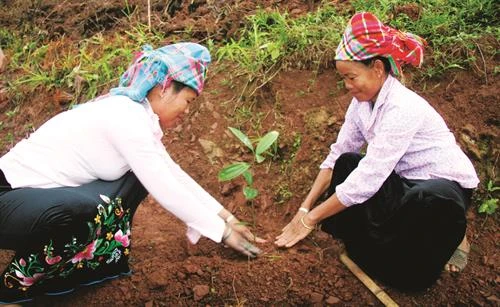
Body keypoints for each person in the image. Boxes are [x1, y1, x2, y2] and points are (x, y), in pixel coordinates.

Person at [0, 42, 264, 304]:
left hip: (34, 200)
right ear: (165, 88)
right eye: (187, 100)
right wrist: (223, 233)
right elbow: (164, 186)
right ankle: (12, 288)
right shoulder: (124, 115)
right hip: (7, 197)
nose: (186, 110)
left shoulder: (138, 119)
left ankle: (84, 269)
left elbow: (173, 174)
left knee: (128, 183)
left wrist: (227, 219)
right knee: (80, 209)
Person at [275, 12, 479, 290]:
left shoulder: (403, 108)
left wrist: (310, 219)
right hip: (404, 185)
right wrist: (304, 208)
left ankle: (449, 239)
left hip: (442, 191)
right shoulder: (361, 104)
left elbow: (371, 176)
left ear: (378, 69)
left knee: (425, 201)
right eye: (343, 79)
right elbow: (337, 156)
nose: (347, 86)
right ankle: (357, 244)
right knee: (348, 163)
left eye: (352, 77)